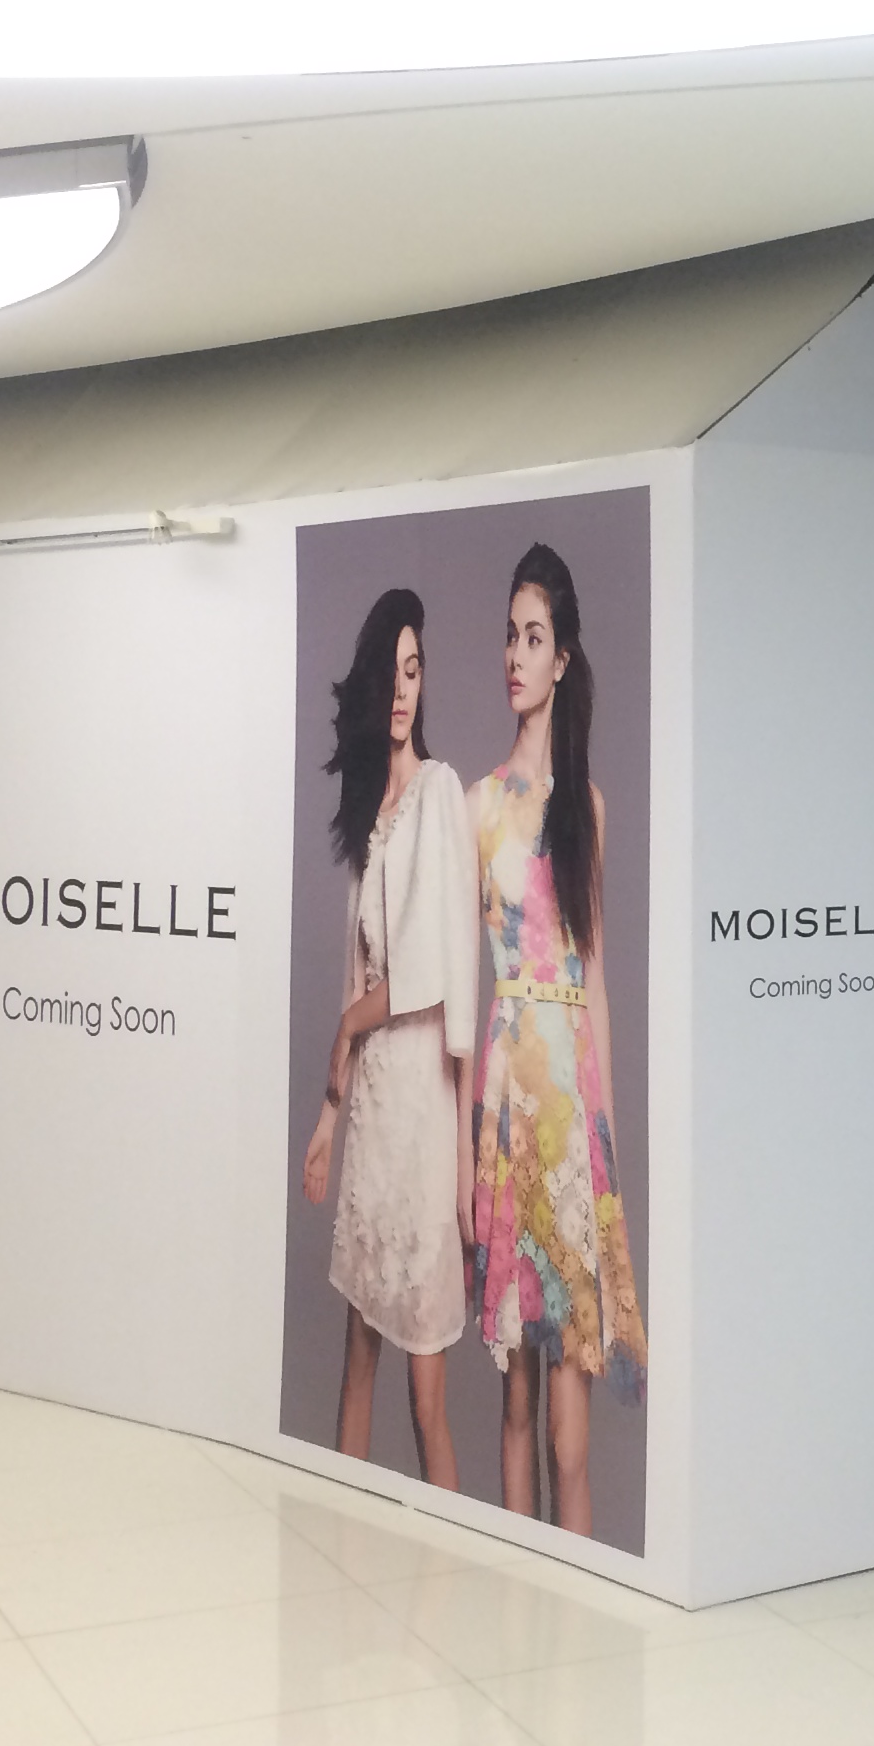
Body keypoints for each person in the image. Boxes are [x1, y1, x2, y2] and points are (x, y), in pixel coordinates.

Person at [471, 544, 647, 1535]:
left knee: (569, 1422)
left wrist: (604, 1150)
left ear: (563, 659)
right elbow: (477, 994)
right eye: (509, 635)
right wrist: (472, 1146)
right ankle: (514, 1599)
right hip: (508, 1116)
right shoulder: (481, 806)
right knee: (516, 1400)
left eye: (533, 638)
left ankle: (574, 1604)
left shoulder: (587, 809)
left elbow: (598, 984)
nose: (515, 655)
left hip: (572, 1128)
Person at [301, 591, 481, 1484]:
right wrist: (326, 1124)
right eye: (392, 673)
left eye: (415, 671)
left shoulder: (441, 793)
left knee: (425, 1396)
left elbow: (426, 972)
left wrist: (348, 1025)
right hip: (374, 1115)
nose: (404, 690)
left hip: (423, 1118)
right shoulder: (370, 818)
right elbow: (356, 973)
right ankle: (345, 1552)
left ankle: (444, 1561)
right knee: (357, 1362)